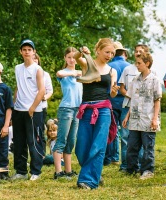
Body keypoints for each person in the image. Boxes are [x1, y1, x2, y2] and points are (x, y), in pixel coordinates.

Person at [74, 38, 119, 189]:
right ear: (98, 50)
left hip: (104, 109)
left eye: (112, 53)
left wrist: (113, 91)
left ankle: (88, 181)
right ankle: (95, 174)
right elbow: (75, 58)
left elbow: (112, 94)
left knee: (98, 146)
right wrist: (82, 51)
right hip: (86, 109)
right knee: (81, 147)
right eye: (107, 52)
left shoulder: (112, 71)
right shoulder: (87, 63)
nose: (110, 55)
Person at [122, 52, 162, 179]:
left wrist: (155, 119)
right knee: (132, 146)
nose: (136, 65)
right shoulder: (135, 80)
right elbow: (133, 99)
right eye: (136, 63)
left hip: (148, 120)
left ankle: (148, 170)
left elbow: (157, 100)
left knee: (147, 147)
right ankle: (132, 169)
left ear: (147, 63)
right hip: (134, 119)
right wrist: (127, 116)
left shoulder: (155, 80)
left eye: (139, 63)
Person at [12, 39, 45, 181]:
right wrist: (13, 104)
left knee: (34, 141)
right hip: (18, 109)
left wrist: (32, 108)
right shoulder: (17, 68)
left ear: (34, 52)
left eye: (29, 50)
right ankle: (21, 171)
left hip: (33, 111)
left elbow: (42, 90)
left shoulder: (37, 69)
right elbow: (18, 87)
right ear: (21, 52)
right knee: (19, 142)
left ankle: (35, 171)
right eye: (24, 49)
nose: (27, 52)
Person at [53, 47, 82, 180]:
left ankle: (68, 170)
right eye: (69, 57)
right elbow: (59, 74)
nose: (71, 60)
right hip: (66, 109)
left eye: (74, 57)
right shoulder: (63, 73)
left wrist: (78, 73)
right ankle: (58, 172)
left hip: (78, 109)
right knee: (61, 140)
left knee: (71, 141)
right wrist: (72, 74)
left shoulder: (81, 73)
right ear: (65, 58)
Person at [104, 41, 133, 169]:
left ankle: (112, 157)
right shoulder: (130, 67)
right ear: (124, 52)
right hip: (126, 102)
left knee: (112, 130)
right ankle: (125, 162)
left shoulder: (108, 66)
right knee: (126, 132)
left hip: (112, 101)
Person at [33, 53, 53, 154]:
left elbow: (50, 91)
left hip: (41, 107)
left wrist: (44, 97)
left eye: (35, 59)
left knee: (39, 130)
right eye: (32, 59)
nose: (34, 60)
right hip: (27, 107)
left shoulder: (45, 74)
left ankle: (42, 154)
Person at [0, 61, 13, 180]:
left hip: (0, 120)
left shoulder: (6, 89)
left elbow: (9, 108)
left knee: (2, 147)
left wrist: (6, 125)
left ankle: (3, 173)